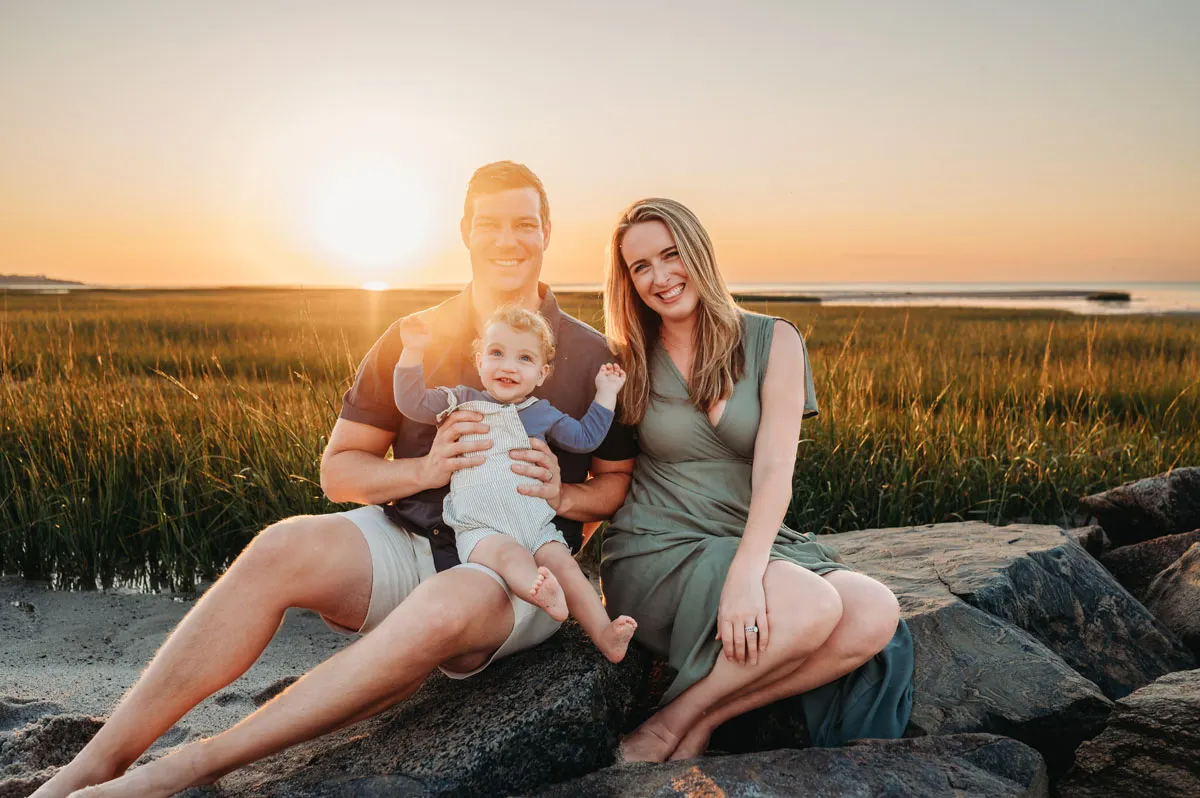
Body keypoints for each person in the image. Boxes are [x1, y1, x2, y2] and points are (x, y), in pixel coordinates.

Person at [36, 161, 638, 798]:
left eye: (524, 224)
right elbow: (339, 471)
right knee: (280, 544)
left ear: (548, 232)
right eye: (489, 224)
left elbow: (615, 483)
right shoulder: (414, 335)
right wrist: (425, 470)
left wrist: (564, 494)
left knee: (442, 608)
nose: (506, 240)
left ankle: (194, 765)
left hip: (510, 567)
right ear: (464, 232)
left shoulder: (593, 355)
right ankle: (95, 764)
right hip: (410, 539)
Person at [599, 198, 913, 763]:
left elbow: (774, 470)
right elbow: (592, 453)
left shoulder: (776, 340)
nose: (661, 277)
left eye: (672, 255)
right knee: (816, 607)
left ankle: (697, 715)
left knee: (875, 611)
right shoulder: (629, 359)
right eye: (640, 266)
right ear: (627, 279)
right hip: (657, 549)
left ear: (700, 252)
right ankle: (666, 731)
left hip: (744, 542)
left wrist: (747, 573)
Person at [393, 305, 638, 662]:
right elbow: (411, 402)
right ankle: (542, 595)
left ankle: (606, 636)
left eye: (524, 358)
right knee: (510, 556)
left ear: (542, 373)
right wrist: (412, 351)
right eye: (496, 353)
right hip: (481, 528)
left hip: (534, 521)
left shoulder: (543, 413)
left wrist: (606, 393)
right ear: (479, 361)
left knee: (564, 563)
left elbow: (586, 438)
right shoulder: (460, 400)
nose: (508, 366)